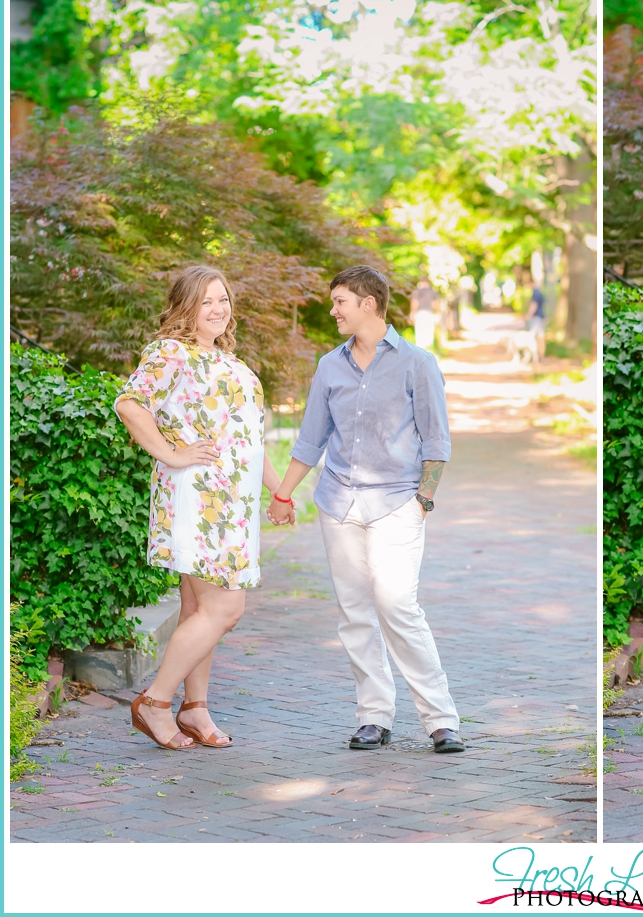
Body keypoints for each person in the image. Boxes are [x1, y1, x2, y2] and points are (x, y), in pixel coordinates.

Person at [268, 266, 465, 753]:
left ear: (369, 303)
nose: (333, 310)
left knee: (398, 606)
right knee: (354, 613)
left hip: (398, 501)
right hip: (339, 503)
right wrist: (283, 493)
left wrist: (425, 499)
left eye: (340, 302)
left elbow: (436, 439)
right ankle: (373, 716)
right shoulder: (329, 366)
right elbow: (311, 439)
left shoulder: (416, 362)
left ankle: (440, 720)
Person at [115, 264, 293, 751]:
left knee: (198, 607)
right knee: (225, 607)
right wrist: (170, 454)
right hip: (197, 499)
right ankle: (154, 703)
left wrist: (279, 492)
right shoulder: (171, 353)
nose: (218, 309)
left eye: (224, 300)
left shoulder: (235, 364)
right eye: (206, 301)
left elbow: (250, 442)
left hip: (233, 506)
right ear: (184, 308)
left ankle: (194, 708)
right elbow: (130, 405)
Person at [411, 278, 438, 350]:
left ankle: (420, 353)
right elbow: (434, 304)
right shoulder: (432, 291)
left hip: (420, 314)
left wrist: (412, 313)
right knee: (429, 334)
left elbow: (415, 303)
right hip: (429, 313)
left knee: (420, 335)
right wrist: (436, 313)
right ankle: (429, 351)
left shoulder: (417, 291)